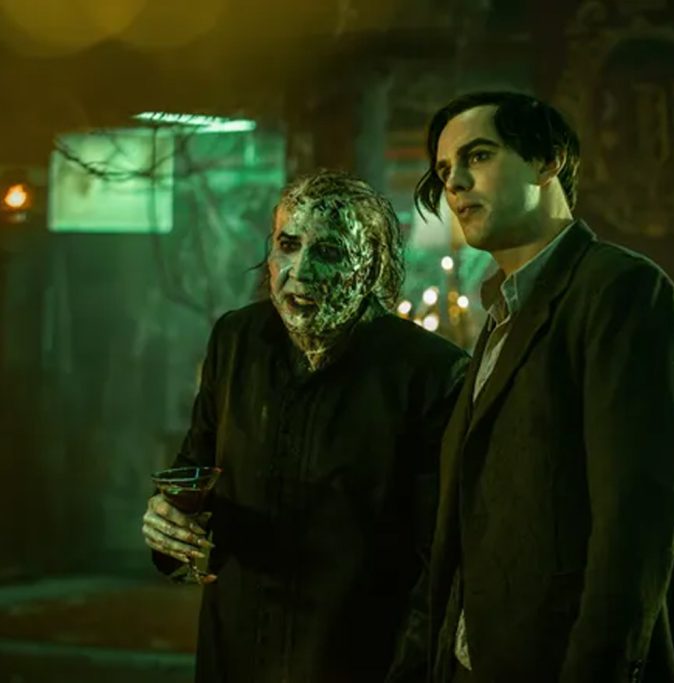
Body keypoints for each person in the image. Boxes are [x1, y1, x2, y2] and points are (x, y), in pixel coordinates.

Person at [398, 91, 674, 682]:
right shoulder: (501, 315)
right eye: (444, 170)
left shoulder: (620, 292)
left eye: (478, 156)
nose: (456, 183)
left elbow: (636, 526)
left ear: (548, 161)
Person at [141, 169, 468, 683]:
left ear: (371, 267)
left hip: (355, 661)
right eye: (288, 245)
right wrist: (169, 524)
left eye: (329, 252)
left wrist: (407, 671)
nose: (299, 271)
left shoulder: (428, 373)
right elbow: (195, 475)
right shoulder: (238, 341)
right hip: (237, 653)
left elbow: (440, 563)